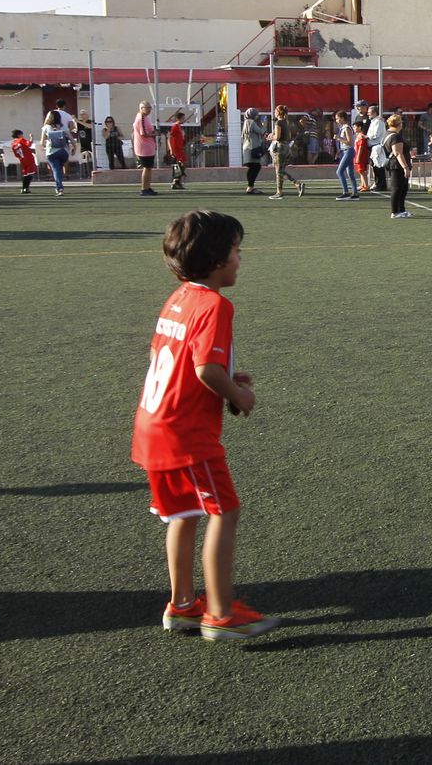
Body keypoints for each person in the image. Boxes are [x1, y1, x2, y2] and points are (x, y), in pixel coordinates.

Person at [131, 209, 278, 641]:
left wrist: (227, 378)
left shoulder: (179, 297)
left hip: (153, 426)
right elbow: (205, 369)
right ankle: (220, 612)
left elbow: (166, 357)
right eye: (236, 250)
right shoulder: (215, 305)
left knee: (184, 514)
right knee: (224, 511)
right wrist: (237, 394)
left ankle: (181, 605)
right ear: (216, 259)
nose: (240, 259)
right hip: (186, 434)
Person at [268, 104, 305, 199]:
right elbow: (288, 136)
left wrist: (271, 137)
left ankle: (279, 192)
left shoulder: (278, 123)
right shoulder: (286, 122)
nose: (274, 113)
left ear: (278, 112)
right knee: (281, 171)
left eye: (275, 111)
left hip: (279, 149)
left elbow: (278, 137)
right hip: (286, 148)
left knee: (278, 172)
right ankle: (297, 184)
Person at [383, 113, 413, 218]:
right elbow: (398, 153)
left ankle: (401, 210)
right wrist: (405, 167)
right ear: (398, 124)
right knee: (397, 188)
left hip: (395, 164)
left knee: (403, 188)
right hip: (397, 165)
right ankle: (395, 212)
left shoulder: (388, 133)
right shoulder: (395, 136)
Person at [40, 110, 72, 196]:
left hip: (51, 152)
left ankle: (59, 187)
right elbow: (71, 139)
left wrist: (46, 146)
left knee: (55, 169)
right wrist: (74, 148)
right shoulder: (63, 127)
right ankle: (59, 185)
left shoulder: (46, 128)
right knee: (59, 168)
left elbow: (42, 142)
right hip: (63, 151)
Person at [133, 101, 159, 196]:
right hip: (144, 148)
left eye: (150, 108)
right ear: (141, 108)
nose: (149, 110)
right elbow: (143, 133)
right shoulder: (141, 118)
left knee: (148, 168)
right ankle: (144, 188)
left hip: (147, 147)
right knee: (147, 168)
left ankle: (147, 187)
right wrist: (154, 134)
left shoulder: (144, 117)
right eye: (147, 108)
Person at [240, 108, 267, 195]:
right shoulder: (251, 122)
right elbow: (260, 131)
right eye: (256, 115)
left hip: (246, 148)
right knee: (256, 166)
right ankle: (250, 187)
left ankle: (250, 187)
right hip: (253, 148)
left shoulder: (246, 122)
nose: (257, 116)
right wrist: (264, 124)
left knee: (252, 167)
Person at [333, 111, 359, 199]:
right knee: (350, 173)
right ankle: (355, 193)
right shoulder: (343, 128)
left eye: (337, 118)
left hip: (349, 151)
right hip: (345, 151)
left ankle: (346, 192)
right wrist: (339, 151)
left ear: (342, 118)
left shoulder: (347, 128)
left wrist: (338, 138)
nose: (337, 120)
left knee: (339, 172)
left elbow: (349, 142)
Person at [366, 104, 389, 197]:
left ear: (374, 113)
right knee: (374, 165)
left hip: (377, 145)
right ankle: (378, 183)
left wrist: (366, 137)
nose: (368, 114)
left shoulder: (378, 122)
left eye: (369, 112)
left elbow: (376, 134)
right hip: (373, 146)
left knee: (378, 165)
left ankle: (381, 184)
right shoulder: (374, 121)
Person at [10, 129, 38, 194]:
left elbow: (16, 154)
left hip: (22, 159)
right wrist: (31, 137)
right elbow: (29, 144)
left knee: (26, 173)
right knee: (30, 173)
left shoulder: (13, 143)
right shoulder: (21, 140)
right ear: (19, 135)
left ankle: (23, 188)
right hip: (29, 158)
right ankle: (26, 188)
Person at [167, 110, 189, 191]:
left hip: (180, 149)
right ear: (178, 119)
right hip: (176, 149)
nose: (184, 120)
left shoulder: (179, 127)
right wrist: (171, 149)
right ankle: (176, 181)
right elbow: (169, 137)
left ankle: (177, 181)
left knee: (183, 164)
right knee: (180, 164)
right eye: (183, 118)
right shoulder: (175, 126)